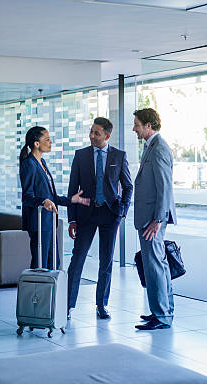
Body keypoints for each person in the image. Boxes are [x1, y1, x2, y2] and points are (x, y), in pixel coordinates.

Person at [66, 117, 133, 320]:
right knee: (77, 259)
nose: (92, 136)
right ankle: (68, 305)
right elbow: (72, 188)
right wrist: (72, 219)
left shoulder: (119, 156)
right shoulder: (81, 155)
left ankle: (101, 305)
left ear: (107, 135)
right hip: (85, 215)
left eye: (96, 133)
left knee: (106, 262)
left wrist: (122, 211)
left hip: (110, 215)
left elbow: (128, 186)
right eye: (91, 131)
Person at [19, 126, 89, 269]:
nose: (51, 143)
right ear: (36, 144)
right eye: (47, 140)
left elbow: (51, 196)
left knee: (53, 264)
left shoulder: (42, 163)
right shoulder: (29, 164)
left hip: (49, 222)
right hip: (38, 223)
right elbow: (27, 197)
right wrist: (43, 201)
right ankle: (36, 292)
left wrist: (72, 200)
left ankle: (51, 292)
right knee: (40, 265)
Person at [132, 108, 177, 330]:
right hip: (149, 218)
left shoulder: (159, 148)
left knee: (155, 265)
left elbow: (164, 187)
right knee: (157, 264)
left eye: (137, 125)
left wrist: (158, 220)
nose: (134, 128)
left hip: (153, 220)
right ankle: (162, 312)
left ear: (148, 126)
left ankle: (162, 316)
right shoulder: (151, 147)